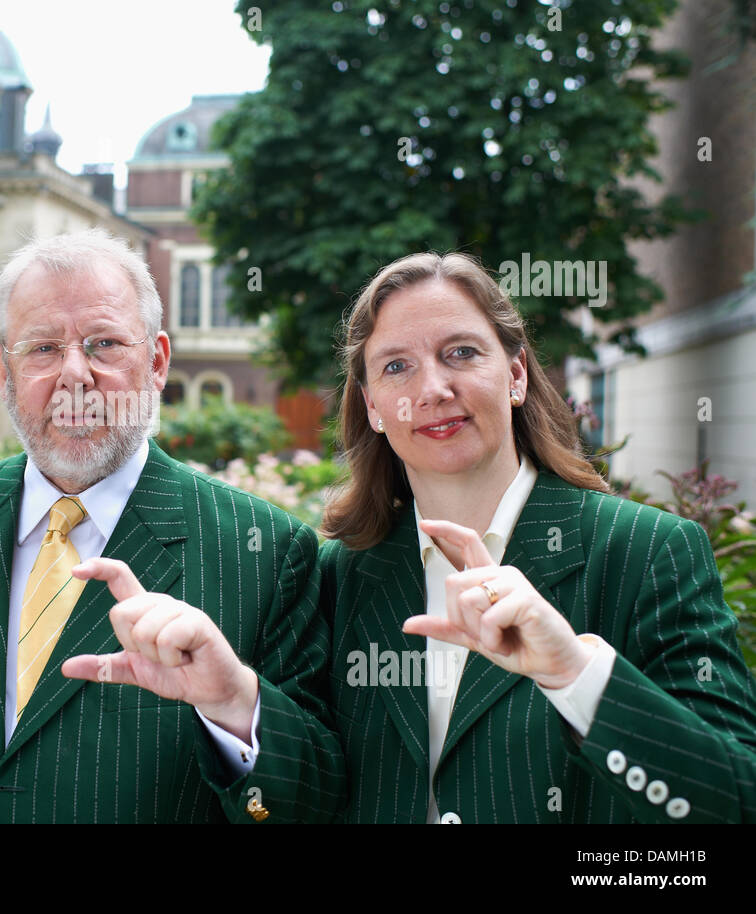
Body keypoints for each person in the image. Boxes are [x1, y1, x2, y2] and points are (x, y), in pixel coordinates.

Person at [0, 229, 343, 823]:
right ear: (2, 370)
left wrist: (231, 702)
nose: (74, 374)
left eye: (104, 344)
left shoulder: (265, 552)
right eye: (42, 348)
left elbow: (318, 798)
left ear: (158, 362)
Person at [319, 251, 756, 823]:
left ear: (517, 375)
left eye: (461, 353)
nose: (432, 388)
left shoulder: (647, 552)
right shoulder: (339, 575)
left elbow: (734, 802)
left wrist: (575, 672)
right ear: (373, 406)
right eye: (396, 366)